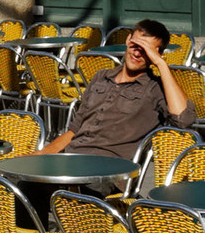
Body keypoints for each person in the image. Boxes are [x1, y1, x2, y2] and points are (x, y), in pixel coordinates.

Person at [37, 21, 188, 158]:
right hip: (74, 156)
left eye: (145, 50)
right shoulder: (101, 77)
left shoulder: (154, 88)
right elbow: (75, 129)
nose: (137, 53)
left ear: (157, 54)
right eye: (135, 45)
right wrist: (42, 154)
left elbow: (183, 119)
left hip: (109, 165)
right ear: (128, 40)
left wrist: (161, 64)